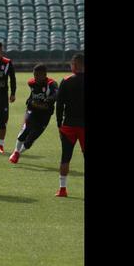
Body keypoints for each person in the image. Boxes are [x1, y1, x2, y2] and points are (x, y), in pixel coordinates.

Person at [9, 64, 59, 164]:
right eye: (34, 75)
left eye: (38, 75)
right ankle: (16, 152)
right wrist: (30, 101)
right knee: (25, 130)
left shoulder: (51, 84)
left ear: (44, 74)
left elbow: (56, 94)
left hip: (45, 115)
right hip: (32, 110)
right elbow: (32, 94)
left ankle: (19, 153)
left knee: (31, 140)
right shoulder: (31, 83)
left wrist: (47, 100)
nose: (35, 77)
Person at [54, 54, 84, 197]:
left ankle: (62, 189)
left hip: (69, 125)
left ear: (75, 65)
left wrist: (59, 123)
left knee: (65, 157)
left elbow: (59, 105)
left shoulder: (66, 81)